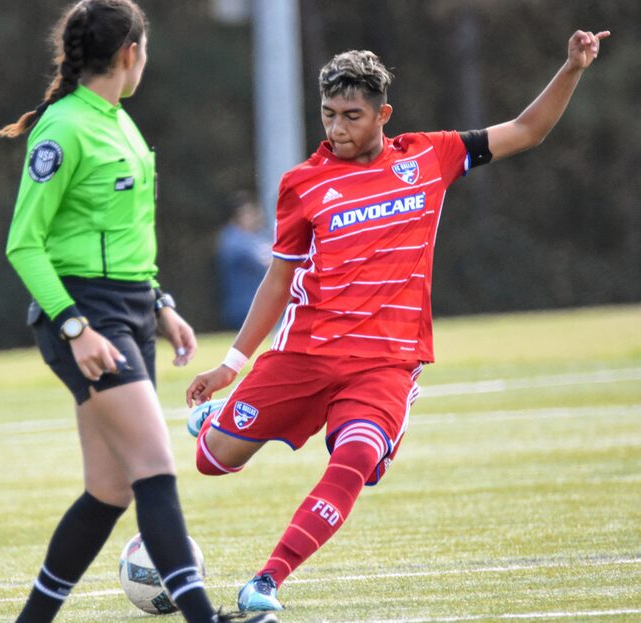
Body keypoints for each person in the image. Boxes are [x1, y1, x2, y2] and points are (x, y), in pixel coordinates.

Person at [186, 29, 610, 612]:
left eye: (352, 115)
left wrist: (572, 68)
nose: (336, 128)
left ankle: (268, 581)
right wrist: (231, 365)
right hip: (305, 353)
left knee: (356, 458)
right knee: (213, 461)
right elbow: (279, 280)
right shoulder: (302, 184)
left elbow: (527, 131)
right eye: (328, 114)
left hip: (385, 361)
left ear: (383, 114)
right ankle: (216, 419)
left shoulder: (429, 156)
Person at [0, 2, 277, 623]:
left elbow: (123, 241)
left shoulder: (120, 124)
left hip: (126, 313)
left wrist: (161, 305)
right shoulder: (64, 127)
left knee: (110, 489)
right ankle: (204, 617)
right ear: (131, 53)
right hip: (84, 315)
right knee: (154, 468)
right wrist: (74, 327)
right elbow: (24, 243)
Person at [216, 193, 271, 329]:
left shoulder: (257, 236)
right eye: (249, 214)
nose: (254, 217)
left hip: (263, 304)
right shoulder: (232, 239)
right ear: (238, 216)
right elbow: (267, 260)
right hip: (243, 306)